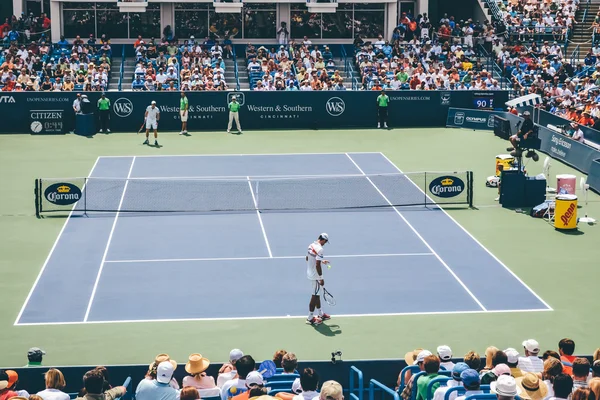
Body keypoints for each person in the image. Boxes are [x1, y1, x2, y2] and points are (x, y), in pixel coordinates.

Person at [306, 233, 331, 326]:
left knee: (317, 294)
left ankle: (320, 314)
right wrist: (321, 278)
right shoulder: (320, 249)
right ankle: (310, 318)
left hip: (309, 272)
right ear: (323, 240)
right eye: (326, 241)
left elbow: (307, 258)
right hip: (315, 275)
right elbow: (317, 265)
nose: (325, 243)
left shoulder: (311, 245)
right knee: (314, 295)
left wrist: (321, 260)